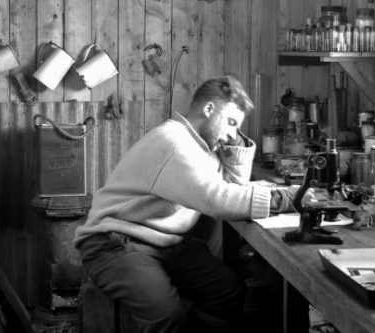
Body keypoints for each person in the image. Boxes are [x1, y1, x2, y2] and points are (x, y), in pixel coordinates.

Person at [73, 76, 291, 332]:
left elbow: (234, 189)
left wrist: (236, 145)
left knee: (228, 291)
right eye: (231, 122)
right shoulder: (174, 142)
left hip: (161, 244)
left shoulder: (203, 148)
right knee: (167, 315)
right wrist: (288, 198)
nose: (233, 133)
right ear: (209, 109)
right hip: (114, 244)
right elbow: (216, 199)